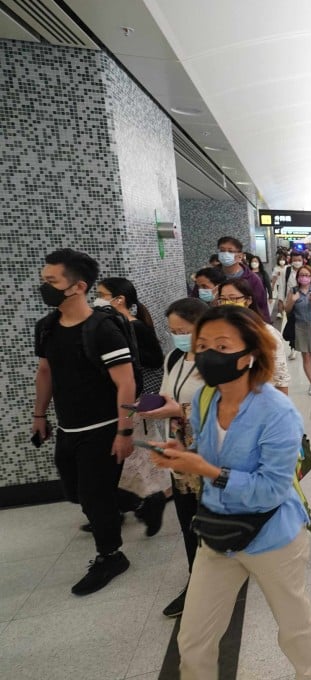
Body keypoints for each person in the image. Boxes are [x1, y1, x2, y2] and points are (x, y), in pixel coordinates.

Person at [149, 305, 311, 680]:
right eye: (203, 344)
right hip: (218, 532)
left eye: (222, 345)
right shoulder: (205, 400)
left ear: (249, 355)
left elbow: (272, 489)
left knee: (293, 624)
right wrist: (187, 457)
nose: (208, 354)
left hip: (272, 535)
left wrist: (207, 470)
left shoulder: (278, 413)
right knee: (194, 636)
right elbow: (211, 454)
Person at [33, 249, 136, 595]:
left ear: (77, 286)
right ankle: (135, 499)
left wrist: (125, 430)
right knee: (76, 491)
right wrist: (39, 414)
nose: (44, 286)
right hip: (68, 427)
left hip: (103, 428)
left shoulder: (103, 330)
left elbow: (126, 383)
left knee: (94, 498)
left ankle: (111, 555)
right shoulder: (47, 327)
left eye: (51, 281)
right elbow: (45, 371)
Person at [136, 297, 208, 617]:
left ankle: (215, 581)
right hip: (180, 454)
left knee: (213, 520)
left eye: (183, 330)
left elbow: (226, 409)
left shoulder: (219, 358)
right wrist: (142, 405)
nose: (177, 336)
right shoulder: (174, 357)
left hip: (210, 454)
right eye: (172, 330)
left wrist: (178, 410)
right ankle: (198, 579)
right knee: (188, 521)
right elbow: (167, 396)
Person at [95, 277, 169, 535]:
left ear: (120, 299)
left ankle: (148, 500)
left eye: (102, 294)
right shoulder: (112, 325)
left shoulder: (133, 327)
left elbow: (156, 361)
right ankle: (128, 504)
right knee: (132, 454)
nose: (97, 299)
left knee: (136, 452)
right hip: (129, 398)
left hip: (142, 397)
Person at [217, 278, 290, 395]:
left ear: (248, 300)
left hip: (259, 402)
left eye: (233, 298)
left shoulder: (266, 333)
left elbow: (280, 379)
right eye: (223, 299)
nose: (227, 303)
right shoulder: (216, 333)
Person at [284, 265, 311, 394]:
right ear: (298, 277)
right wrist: (292, 301)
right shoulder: (293, 291)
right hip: (300, 327)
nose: (304, 277)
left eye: (307, 275)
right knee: (306, 356)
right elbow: (287, 310)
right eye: (302, 275)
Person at [216, 236, 271, 322]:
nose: (225, 254)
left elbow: (261, 305)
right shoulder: (211, 276)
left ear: (240, 255)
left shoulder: (252, 279)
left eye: (230, 251)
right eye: (222, 250)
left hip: (245, 323)